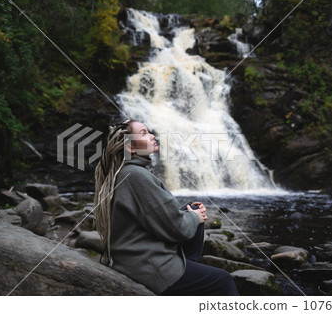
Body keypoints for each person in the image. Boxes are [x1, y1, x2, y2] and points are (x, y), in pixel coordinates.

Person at [94, 119, 238, 296]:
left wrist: (190, 213)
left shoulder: (129, 173)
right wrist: (195, 217)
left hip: (138, 259)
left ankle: (190, 274)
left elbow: (155, 215)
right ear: (131, 147)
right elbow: (178, 228)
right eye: (144, 133)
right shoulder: (136, 176)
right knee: (223, 280)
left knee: (191, 210)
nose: (152, 135)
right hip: (148, 266)